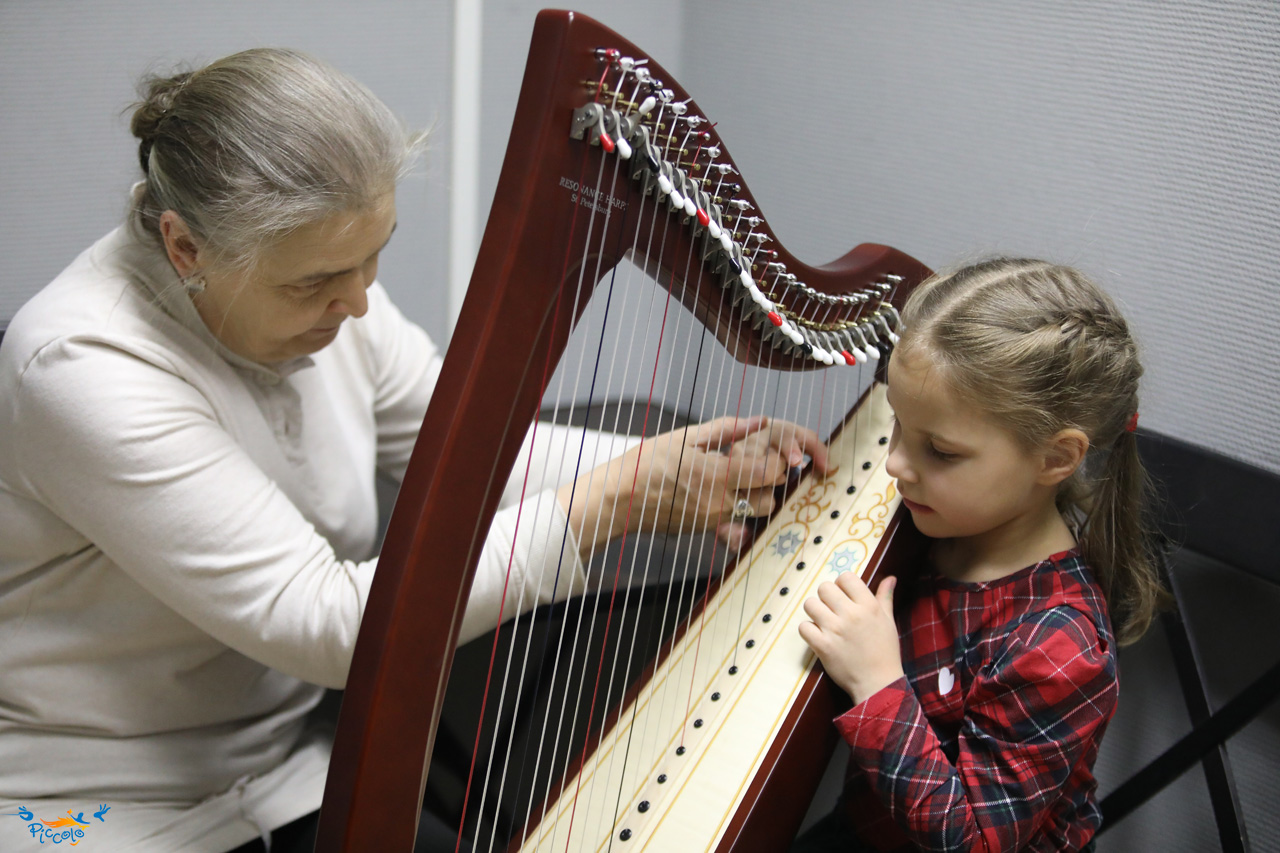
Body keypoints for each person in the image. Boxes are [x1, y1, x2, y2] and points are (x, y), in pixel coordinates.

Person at [0, 48, 826, 852]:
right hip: (96, 799)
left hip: (288, 768)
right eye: (313, 283)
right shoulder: (81, 365)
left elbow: (468, 453)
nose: (359, 303)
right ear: (185, 249)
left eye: (375, 257)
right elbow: (322, 621)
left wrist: (685, 464)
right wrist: (610, 503)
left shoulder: (334, 296)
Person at [794, 258, 1165, 852]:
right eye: (897, 427)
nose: (893, 464)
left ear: (1054, 459)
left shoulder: (1057, 643)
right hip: (870, 827)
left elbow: (974, 841)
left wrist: (877, 681)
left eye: (939, 450)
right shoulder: (944, 518)